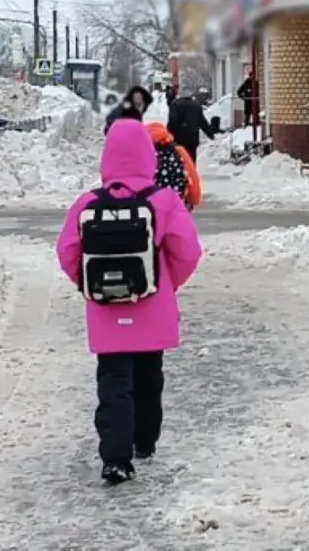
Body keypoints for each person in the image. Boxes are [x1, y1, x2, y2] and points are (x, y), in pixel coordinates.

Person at [56, 119, 203, 485]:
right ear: (147, 157)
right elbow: (188, 252)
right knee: (149, 377)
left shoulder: (88, 203)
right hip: (153, 310)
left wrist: (89, 284)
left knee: (113, 383)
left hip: (107, 311)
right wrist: (167, 284)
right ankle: (145, 442)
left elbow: (66, 252)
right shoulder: (164, 201)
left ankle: (116, 459)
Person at [145, 121, 202, 210]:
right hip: (177, 203)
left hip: (150, 205)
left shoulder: (143, 154)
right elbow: (192, 176)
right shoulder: (178, 150)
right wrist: (194, 199)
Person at [167, 91, 218, 166]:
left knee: (179, 160)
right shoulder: (196, 105)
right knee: (191, 161)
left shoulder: (175, 104)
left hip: (179, 139)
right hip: (192, 139)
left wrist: (169, 133)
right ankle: (192, 175)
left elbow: (172, 121)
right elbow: (202, 122)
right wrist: (210, 134)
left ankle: (181, 175)